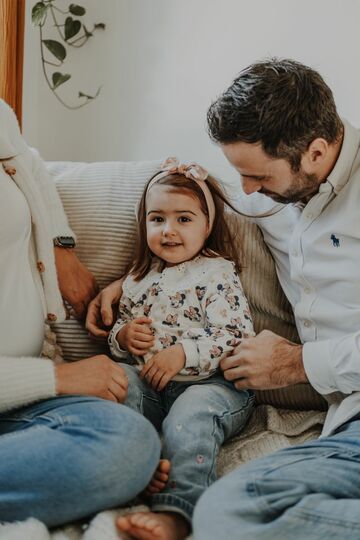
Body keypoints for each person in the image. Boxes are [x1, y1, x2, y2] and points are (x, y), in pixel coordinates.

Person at [189, 58, 360, 539]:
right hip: (348, 429)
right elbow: (200, 204)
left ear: (316, 152)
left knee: (235, 512)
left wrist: (298, 364)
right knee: (228, 511)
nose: (248, 190)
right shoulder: (272, 192)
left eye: (260, 178)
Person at [0, 98, 162, 528]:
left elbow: (28, 165)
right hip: (30, 382)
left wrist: (60, 247)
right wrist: (58, 378)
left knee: (128, 436)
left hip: (15, 402)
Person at [106, 158, 255, 540]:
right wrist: (122, 338)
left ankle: (178, 510)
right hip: (151, 386)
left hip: (214, 386)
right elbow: (121, 329)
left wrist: (184, 352)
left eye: (184, 219)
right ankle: (134, 470)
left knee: (191, 415)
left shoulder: (217, 272)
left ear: (208, 225)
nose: (168, 231)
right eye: (157, 219)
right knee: (115, 379)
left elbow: (236, 335)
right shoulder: (139, 277)